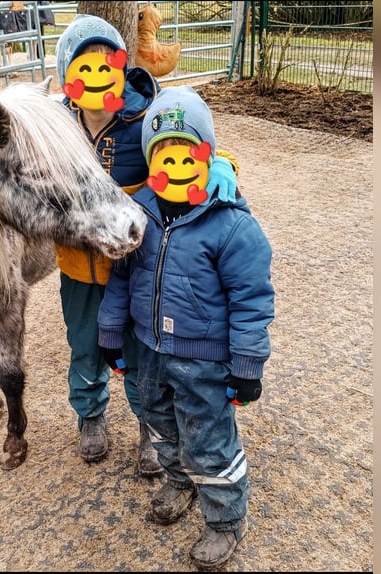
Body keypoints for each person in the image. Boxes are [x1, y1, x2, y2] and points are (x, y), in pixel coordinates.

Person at [54, 15, 240, 476]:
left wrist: (221, 169)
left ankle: (148, 429)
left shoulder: (143, 117)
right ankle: (90, 415)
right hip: (79, 268)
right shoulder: (54, 125)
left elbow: (185, 144)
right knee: (85, 346)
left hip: (137, 269)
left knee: (141, 356)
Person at [97, 85, 274, 569]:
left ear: (207, 154)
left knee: (208, 437)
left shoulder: (232, 225)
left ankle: (224, 518)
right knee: (157, 420)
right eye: (163, 157)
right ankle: (179, 480)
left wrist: (246, 364)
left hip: (203, 358)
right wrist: (111, 334)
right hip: (148, 348)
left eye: (186, 156)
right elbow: (121, 277)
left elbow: (252, 300)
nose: (174, 168)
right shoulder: (141, 215)